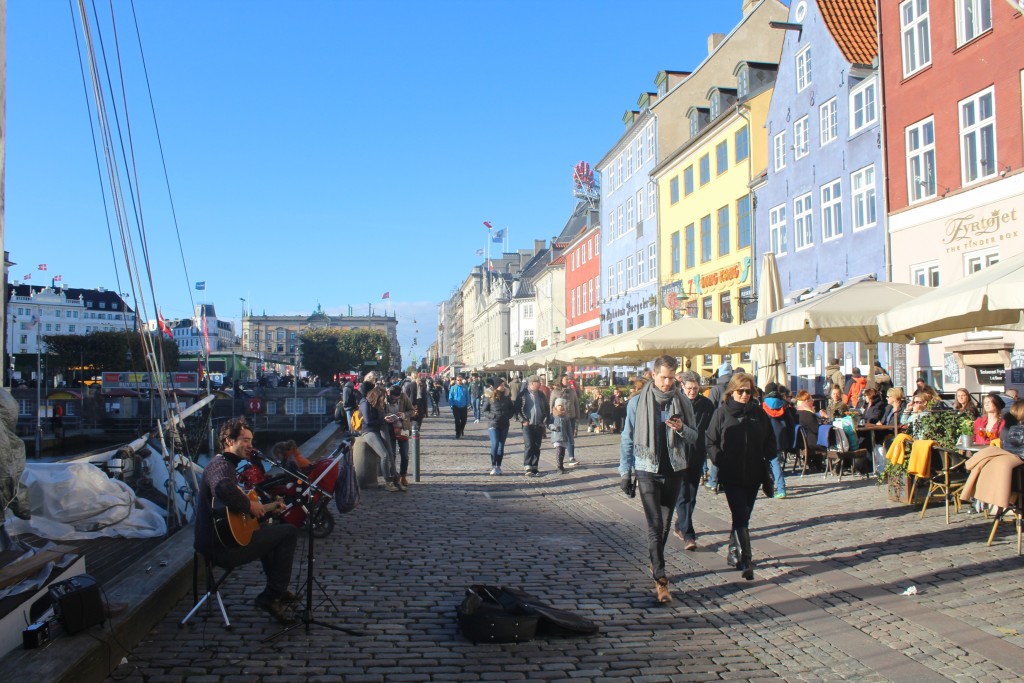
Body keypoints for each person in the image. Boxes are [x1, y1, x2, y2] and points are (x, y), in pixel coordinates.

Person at [194, 418, 299, 624]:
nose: (250, 445)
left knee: (271, 533)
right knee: (289, 532)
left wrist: (268, 510)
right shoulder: (220, 466)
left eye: (251, 440)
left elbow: (231, 514)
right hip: (220, 548)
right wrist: (250, 506)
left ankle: (276, 591)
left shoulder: (228, 466)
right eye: (244, 440)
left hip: (222, 540)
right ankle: (271, 595)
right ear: (228, 441)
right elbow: (223, 488)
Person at [619, 355, 698, 604]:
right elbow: (628, 438)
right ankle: (661, 581)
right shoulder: (636, 403)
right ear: (653, 375)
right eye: (663, 377)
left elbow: (694, 437)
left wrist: (681, 429)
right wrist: (625, 472)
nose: (667, 382)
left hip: (674, 468)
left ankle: (655, 562)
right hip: (646, 468)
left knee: (663, 525)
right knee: (654, 525)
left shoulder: (683, 401)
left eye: (671, 378)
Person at [705, 372, 775, 581]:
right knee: (741, 514)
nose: (745, 395)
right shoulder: (722, 413)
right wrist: (720, 460)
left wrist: (769, 453)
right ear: (732, 391)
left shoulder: (758, 413)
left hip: (754, 473)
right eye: (741, 391)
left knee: (743, 515)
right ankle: (747, 559)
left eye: (749, 391)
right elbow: (710, 441)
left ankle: (733, 551)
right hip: (731, 473)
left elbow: (770, 438)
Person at [673, 371, 714, 550]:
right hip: (678, 453)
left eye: (696, 388)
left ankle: (679, 524)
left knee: (692, 495)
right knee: (682, 495)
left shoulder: (706, 404)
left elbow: (712, 429)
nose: (692, 392)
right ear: (682, 386)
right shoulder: (675, 402)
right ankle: (689, 535)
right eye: (689, 388)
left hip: (697, 454)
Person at [361, 386, 402, 492]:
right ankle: (388, 481)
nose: (383, 400)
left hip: (378, 429)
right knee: (384, 454)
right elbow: (368, 421)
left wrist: (387, 418)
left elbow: (380, 417)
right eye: (382, 397)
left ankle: (395, 478)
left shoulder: (378, 404)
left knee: (389, 453)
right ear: (376, 396)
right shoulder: (365, 404)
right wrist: (383, 420)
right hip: (369, 431)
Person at [761, 383, 794, 500]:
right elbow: (791, 424)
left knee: (766, 463)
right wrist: (791, 440)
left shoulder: (763, 406)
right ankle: (780, 488)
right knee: (776, 462)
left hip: (766, 438)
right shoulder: (784, 405)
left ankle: (776, 486)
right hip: (780, 439)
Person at [513, 375, 549, 477]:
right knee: (529, 445)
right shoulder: (523, 395)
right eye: (538, 382)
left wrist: (544, 420)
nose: (540, 384)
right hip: (527, 424)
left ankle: (535, 467)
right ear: (532, 383)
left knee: (537, 446)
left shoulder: (541, 395)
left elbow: (546, 408)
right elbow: (517, 409)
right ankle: (527, 466)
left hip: (539, 423)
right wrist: (523, 420)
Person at [387, 383, 414, 489]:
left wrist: (404, 415)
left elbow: (412, 411)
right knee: (392, 455)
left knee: (405, 454)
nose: (395, 399)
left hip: (403, 428)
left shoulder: (403, 397)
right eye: (393, 398)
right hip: (390, 429)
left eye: (397, 398)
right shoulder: (385, 399)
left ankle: (403, 475)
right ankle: (394, 476)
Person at [550, 375, 580, 467]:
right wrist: (552, 417)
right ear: (561, 380)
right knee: (561, 438)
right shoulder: (555, 392)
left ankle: (571, 457)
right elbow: (551, 405)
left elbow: (576, 404)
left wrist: (578, 417)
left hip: (571, 416)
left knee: (571, 437)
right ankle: (560, 460)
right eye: (566, 379)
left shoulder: (572, 391)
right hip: (560, 418)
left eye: (568, 379)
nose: (568, 381)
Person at [487, 384, 514, 475]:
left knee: (501, 446)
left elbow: (512, 409)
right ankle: (493, 465)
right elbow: (485, 410)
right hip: (493, 424)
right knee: (495, 443)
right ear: (495, 387)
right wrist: (492, 416)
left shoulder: (506, 397)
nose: (503, 387)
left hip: (504, 424)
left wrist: (508, 416)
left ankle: (499, 466)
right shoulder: (490, 397)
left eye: (503, 385)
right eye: (500, 385)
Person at [550, 397, 572, 474]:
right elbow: (549, 424)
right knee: (559, 450)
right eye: (559, 405)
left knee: (562, 451)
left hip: (564, 436)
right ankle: (559, 467)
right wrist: (553, 427)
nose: (560, 407)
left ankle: (562, 465)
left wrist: (571, 439)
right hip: (556, 436)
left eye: (562, 405)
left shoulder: (566, 416)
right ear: (556, 406)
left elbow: (569, 428)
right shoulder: (553, 415)